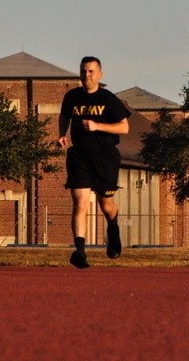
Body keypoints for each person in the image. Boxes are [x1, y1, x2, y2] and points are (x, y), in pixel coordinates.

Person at [58, 56, 131, 269]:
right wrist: (62, 133)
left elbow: (124, 128)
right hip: (79, 157)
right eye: (83, 71)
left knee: (105, 204)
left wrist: (97, 126)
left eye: (90, 71)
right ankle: (80, 253)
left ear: (99, 74)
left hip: (105, 157)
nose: (86, 75)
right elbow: (64, 116)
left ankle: (114, 229)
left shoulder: (108, 99)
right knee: (80, 203)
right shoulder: (71, 97)